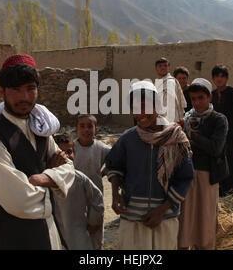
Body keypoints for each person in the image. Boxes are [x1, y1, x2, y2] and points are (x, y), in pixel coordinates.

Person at [0, 54, 75, 250]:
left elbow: (69, 168)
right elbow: (21, 200)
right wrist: (55, 180)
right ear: (1, 92)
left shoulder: (40, 130)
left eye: (30, 89)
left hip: (49, 236)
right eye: (16, 90)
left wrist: (44, 178)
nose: (25, 97)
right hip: (13, 240)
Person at [106, 80, 194, 250]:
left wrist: (161, 210)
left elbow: (185, 177)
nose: (141, 113)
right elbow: (114, 166)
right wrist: (116, 195)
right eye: (136, 108)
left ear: (157, 105)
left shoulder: (175, 138)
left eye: (145, 106)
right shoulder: (128, 138)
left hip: (164, 218)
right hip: (132, 218)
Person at [178, 78, 228, 250]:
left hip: (207, 175)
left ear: (209, 98)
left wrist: (192, 134)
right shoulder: (186, 118)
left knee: (205, 218)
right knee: (186, 218)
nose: (197, 102)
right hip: (187, 175)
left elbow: (215, 148)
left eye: (201, 98)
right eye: (193, 99)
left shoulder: (219, 120)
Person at [52, 133, 104, 250]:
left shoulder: (79, 179)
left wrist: (93, 222)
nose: (65, 156)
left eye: (69, 152)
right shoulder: (46, 180)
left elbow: (97, 198)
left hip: (78, 234)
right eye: (60, 152)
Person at [73, 114, 111, 249]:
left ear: (96, 129)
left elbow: (116, 158)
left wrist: (104, 173)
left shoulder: (101, 148)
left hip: (95, 197)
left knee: (95, 231)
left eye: (90, 126)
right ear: (76, 129)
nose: (86, 130)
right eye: (82, 126)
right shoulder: (72, 148)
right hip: (76, 197)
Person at [211, 65, 233, 196]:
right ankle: (221, 188)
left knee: (232, 161)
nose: (219, 79)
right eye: (216, 76)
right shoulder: (212, 95)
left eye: (222, 76)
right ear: (213, 78)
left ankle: (232, 189)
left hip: (231, 134)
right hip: (217, 135)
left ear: (226, 78)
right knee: (219, 161)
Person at [155, 57, 187, 123]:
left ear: (168, 68)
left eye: (165, 65)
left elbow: (172, 103)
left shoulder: (171, 81)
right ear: (156, 68)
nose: (163, 68)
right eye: (160, 66)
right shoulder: (157, 83)